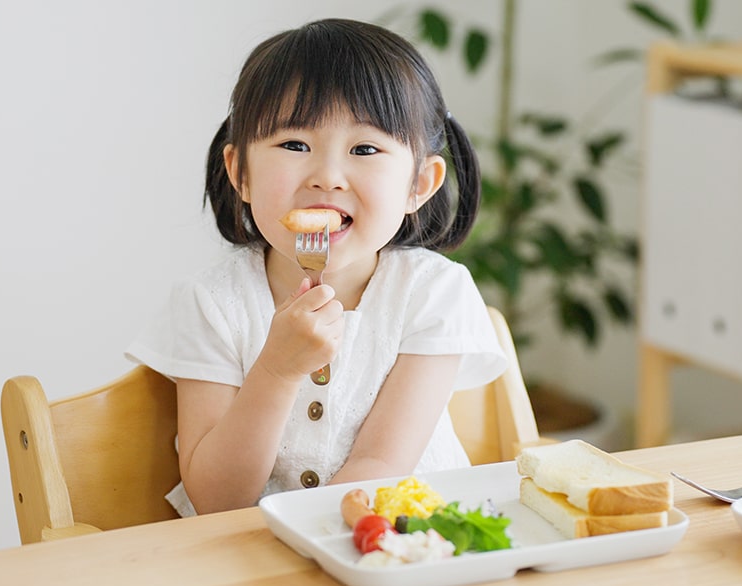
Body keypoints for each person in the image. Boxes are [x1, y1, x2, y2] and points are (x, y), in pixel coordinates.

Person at [125, 18, 506, 517]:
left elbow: (380, 464)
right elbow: (217, 499)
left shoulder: (433, 293)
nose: (327, 177)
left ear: (420, 184)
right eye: (294, 145)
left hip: (401, 548)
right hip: (252, 560)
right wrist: (278, 369)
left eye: (365, 149)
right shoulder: (213, 304)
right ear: (240, 172)